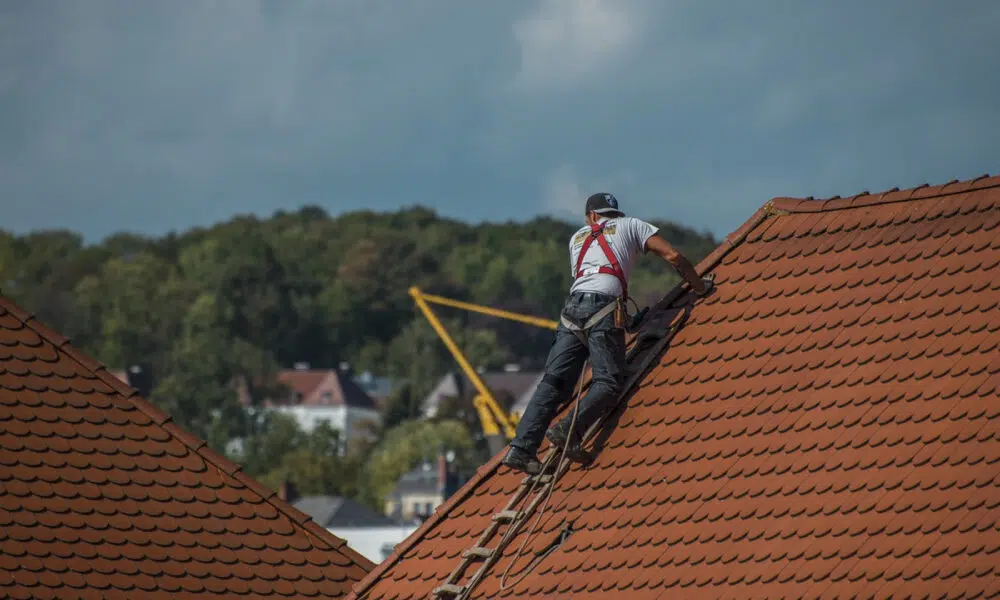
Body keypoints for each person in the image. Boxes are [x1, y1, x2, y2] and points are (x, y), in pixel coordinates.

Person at [501, 192, 713, 475]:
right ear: (612, 214)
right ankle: (568, 430)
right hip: (603, 307)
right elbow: (673, 256)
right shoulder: (631, 225)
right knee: (609, 381)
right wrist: (700, 286)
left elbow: (587, 276)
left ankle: (521, 448)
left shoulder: (576, 239)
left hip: (571, 311)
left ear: (591, 216)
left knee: (553, 383)